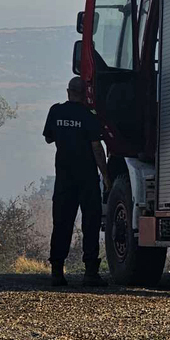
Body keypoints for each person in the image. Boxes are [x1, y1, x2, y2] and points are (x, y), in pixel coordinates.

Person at [43, 76, 111, 287]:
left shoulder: (56, 111)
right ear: (85, 94)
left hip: (64, 178)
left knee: (62, 222)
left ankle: (57, 272)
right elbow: (97, 148)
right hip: (87, 179)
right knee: (90, 223)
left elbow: (48, 138)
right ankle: (90, 273)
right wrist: (106, 176)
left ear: (68, 91)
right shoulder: (89, 115)